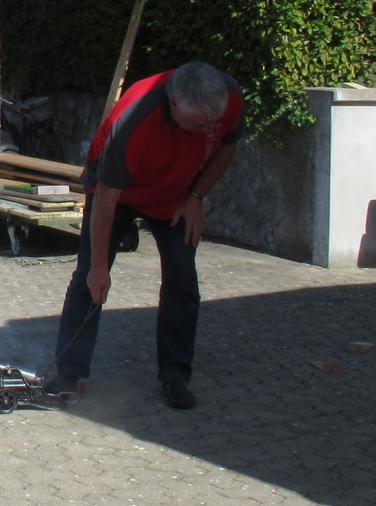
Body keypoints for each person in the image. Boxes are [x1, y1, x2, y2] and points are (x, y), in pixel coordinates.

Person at [52, 61, 243, 410]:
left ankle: (175, 376)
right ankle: (69, 372)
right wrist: (99, 268)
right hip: (117, 195)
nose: (206, 131)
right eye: (198, 124)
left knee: (183, 281)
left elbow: (228, 146)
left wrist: (196, 198)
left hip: (176, 198)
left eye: (210, 124)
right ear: (173, 103)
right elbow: (106, 197)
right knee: (87, 281)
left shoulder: (228, 97)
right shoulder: (134, 122)